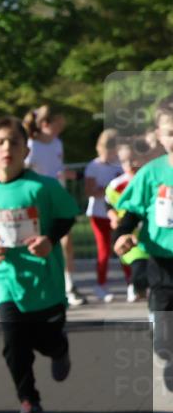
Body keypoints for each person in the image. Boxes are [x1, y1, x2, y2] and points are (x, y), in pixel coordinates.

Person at [0, 116, 77, 413]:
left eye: (14, 142)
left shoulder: (43, 186)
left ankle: (59, 349)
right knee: (14, 344)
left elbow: (67, 216)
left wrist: (50, 240)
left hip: (45, 281)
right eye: (0, 142)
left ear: (25, 150)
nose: (7, 148)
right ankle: (29, 402)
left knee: (46, 340)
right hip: (6, 280)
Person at [115, 96, 173, 390]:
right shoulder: (151, 173)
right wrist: (122, 234)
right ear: (159, 135)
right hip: (161, 264)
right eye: (171, 133)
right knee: (163, 341)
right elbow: (131, 213)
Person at [24, 105, 85, 306]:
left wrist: (65, 174)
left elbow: (57, 167)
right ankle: (40, 285)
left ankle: (69, 285)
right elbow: (25, 170)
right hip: (38, 201)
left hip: (58, 198)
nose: (60, 129)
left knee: (67, 242)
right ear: (44, 124)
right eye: (57, 125)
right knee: (38, 243)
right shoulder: (31, 146)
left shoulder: (57, 143)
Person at [106, 140, 150, 302]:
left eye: (133, 159)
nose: (130, 164)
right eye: (124, 161)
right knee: (138, 264)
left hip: (152, 233)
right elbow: (108, 203)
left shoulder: (151, 178)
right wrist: (113, 216)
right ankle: (136, 285)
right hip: (130, 233)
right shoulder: (116, 185)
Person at [84, 129, 123, 302]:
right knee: (104, 250)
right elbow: (90, 191)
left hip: (117, 213)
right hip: (99, 214)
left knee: (123, 247)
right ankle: (101, 284)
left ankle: (132, 282)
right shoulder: (93, 166)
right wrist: (109, 189)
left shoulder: (120, 165)